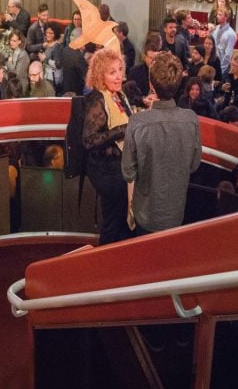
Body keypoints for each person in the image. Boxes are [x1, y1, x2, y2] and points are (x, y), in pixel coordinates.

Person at [122, 53, 202, 235]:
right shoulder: (191, 119)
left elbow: (128, 172)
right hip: (176, 212)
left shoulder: (137, 122)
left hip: (146, 214)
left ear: (151, 84)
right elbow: (194, 164)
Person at [82, 47, 133, 244]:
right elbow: (89, 140)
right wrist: (122, 129)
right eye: (112, 72)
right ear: (100, 75)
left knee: (120, 221)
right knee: (112, 224)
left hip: (120, 169)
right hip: (106, 171)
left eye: (120, 69)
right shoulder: (97, 99)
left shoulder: (119, 95)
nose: (119, 76)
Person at [210, 10, 237, 79]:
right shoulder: (216, 29)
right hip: (212, 63)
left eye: (220, 15)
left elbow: (228, 55)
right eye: (217, 14)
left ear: (226, 17)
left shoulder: (231, 34)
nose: (217, 16)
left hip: (221, 67)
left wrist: (221, 69)